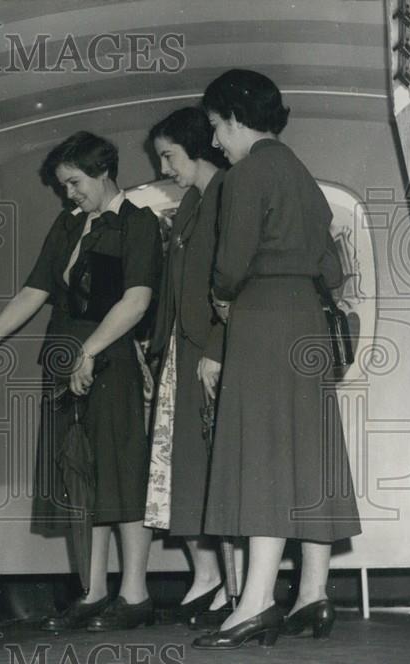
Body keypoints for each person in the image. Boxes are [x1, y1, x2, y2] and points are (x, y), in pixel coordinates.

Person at [0, 131, 161, 631]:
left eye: (74, 182)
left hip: (109, 359)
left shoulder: (138, 223)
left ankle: (135, 595)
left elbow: (136, 300)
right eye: (64, 185)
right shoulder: (68, 225)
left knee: (120, 473)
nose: (69, 193)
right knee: (77, 476)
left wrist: (90, 351)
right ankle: (93, 592)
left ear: (103, 172)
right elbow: (35, 290)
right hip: (63, 358)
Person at [192, 69, 361, 649]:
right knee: (308, 453)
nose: (216, 141)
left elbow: (230, 267)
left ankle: (256, 601)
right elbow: (332, 269)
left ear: (236, 119)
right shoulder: (302, 176)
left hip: (262, 317)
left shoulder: (245, 175)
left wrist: (222, 295)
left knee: (262, 451)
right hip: (306, 319)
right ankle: (313, 593)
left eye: (217, 127)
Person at [144, 107, 233, 628]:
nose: (164, 167)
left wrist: (217, 346)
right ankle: (209, 576)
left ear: (197, 147)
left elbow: (231, 287)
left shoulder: (226, 196)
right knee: (187, 470)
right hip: (183, 351)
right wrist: (157, 349)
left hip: (211, 350)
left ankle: (230, 585)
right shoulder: (191, 205)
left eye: (169, 156)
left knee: (212, 467)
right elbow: (174, 291)